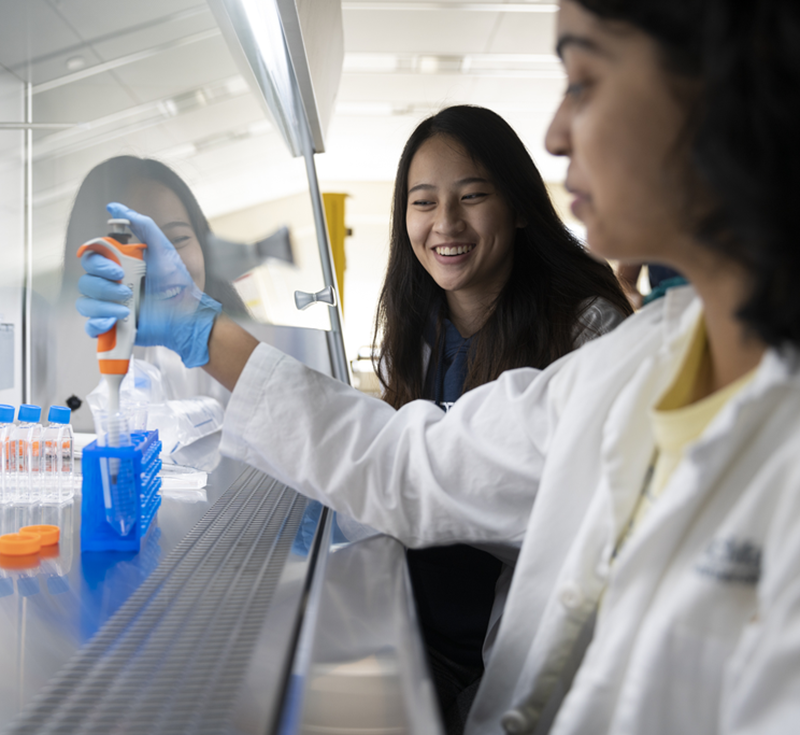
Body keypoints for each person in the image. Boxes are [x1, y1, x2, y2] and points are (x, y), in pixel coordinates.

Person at [78, 0, 800, 733]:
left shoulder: (629, 356)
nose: (555, 133)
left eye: (584, 80)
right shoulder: (638, 364)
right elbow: (405, 461)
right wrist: (202, 331)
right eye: (423, 203)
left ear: (717, 92)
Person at [374, 104, 631, 730]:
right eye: (424, 202)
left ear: (518, 207)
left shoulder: (585, 328)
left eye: (472, 196)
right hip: (421, 631)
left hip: (513, 654)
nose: (445, 224)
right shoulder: (418, 326)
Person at [59, 156, 245, 432]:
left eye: (178, 240)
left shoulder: (245, 356)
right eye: (133, 249)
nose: (163, 265)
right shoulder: (54, 376)